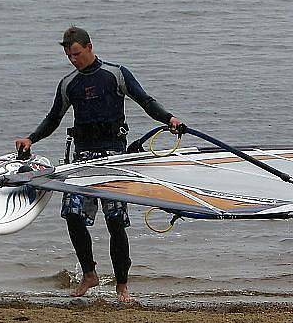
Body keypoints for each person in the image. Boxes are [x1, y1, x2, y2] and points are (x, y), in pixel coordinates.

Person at [15, 26, 182, 303]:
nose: (73, 60)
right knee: (72, 214)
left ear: (90, 47)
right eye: (69, 56)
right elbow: (53, 118)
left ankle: (122, 286)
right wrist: (31, 139)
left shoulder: (116, 74)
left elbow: (146, 101)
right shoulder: (69, 83)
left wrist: (170, 119)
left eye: (77, 54)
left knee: (115, 221)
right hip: (82, 159)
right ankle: (89, 274)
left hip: (114, 157)